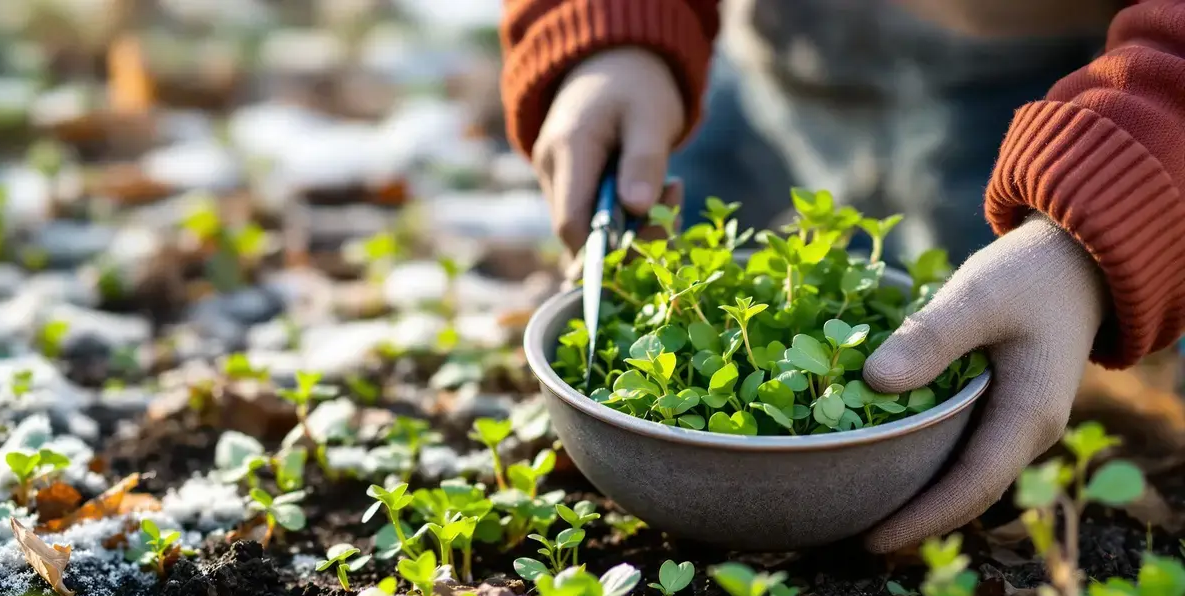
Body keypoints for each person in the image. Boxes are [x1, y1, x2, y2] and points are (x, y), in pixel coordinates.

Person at [498, 0, 1185, 552]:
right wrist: (612, 30)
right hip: (760, 72)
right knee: (642, 256)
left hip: (1071, 119)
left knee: (1016, 344)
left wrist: (1106, 217)